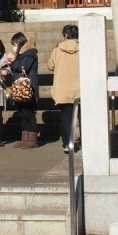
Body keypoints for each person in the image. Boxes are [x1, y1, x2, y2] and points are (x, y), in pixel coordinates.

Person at [48, 25, 80, 154]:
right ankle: (86, 142)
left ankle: (67, 143)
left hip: (63, 88)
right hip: (80, 87)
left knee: (66, 116)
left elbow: (50, 66)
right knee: (83, 116)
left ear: (65, 35)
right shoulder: (83, 48)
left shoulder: (57, 49)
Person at [7, 32, 40, 149]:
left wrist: (13, 62)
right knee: (22, 113)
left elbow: (23, 67)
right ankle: (25, 139)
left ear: (19, 43)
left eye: (14, 44)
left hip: (28, 87)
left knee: (29, 113)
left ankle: (32, 140)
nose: (13, 47)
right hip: (20, 87)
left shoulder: (30, 52)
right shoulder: (22, 54)